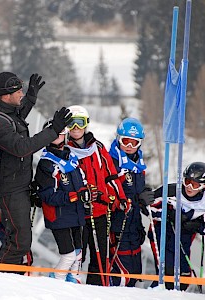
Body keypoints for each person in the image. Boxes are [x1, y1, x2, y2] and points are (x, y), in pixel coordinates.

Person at [0, 71, 73, 269]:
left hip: (16, 186)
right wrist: (53, 131)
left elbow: (16, 117)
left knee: (19, 240)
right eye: (19, 91)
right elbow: (21, 147)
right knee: (19, 241)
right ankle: (0, 280)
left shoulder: (4, 111)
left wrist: (31, 97)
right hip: (8, 189)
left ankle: (8, 278)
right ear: (6, 95)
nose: (21, 93)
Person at [66, 105, 129, 286]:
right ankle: (70, 288)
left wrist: (120, 198)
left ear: (86, 125)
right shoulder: (64, 149)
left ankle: (97, 289)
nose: (76, 128)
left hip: (100, 211)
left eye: (80, 123)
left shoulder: (97, 148)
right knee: (77, 256)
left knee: (100, 254)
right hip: (77, 213)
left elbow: (110, 176)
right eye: (71, 124)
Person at [35, 120, 97, 283]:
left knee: (78, 254)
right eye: (53, 133)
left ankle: (73, 282)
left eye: (61, 132)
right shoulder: (46, 163)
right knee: (69, 255)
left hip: (76, 214)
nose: (58, 136)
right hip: (59, 217)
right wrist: (74, 196)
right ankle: (56, 283)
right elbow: (47, 196)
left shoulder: (72, 157)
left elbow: (81, 183)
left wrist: (87, 193)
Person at [107, 118, 154, 287]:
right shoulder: (111, 162)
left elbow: (136, 193)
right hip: (118, 226)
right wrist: (133, 199)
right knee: (121, 276)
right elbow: (111, 193)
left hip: (134, 227)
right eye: (125, 141)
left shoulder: (138, 166)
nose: (129, 146)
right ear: (119, 139)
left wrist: (145, 197)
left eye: (134, 142)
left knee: (134, 276)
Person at [148, 162, 205, 291]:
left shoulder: (203, 201)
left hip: (184, 239)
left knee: (183, 276)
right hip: (163, 235)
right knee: (167, 273)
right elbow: (149, 209)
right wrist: (168, 215)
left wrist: (198, 226)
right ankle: (156, 292)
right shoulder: (172, 191)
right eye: (187, 181)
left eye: (195, 184)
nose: (189, 187)